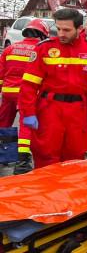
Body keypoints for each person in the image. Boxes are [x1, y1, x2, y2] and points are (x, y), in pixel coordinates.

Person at [18, 8, 87, 168]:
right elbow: (29, 85)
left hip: (78, 111)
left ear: (79, 29)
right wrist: (29, 113)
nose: (61, 34)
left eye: (66, 30)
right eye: (58, 28)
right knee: (46, 154)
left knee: (75, 155)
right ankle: (45, 189)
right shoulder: (44, 49)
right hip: (50, 109)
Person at [0, 18, 49, 174]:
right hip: (27, 95)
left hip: (8, 93)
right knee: (26, 127)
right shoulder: (40, 50)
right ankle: (22, 162)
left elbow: (1, 74)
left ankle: (3, 156)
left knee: (4, 123)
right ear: (42, 34)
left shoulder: (10, 49)